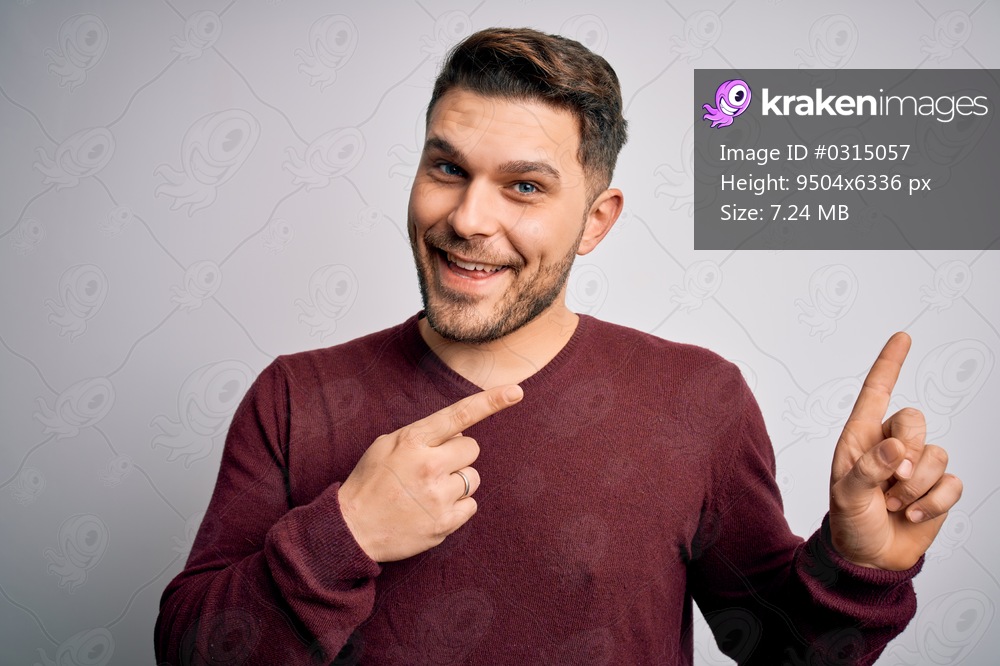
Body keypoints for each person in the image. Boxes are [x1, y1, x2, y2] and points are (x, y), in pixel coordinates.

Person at [154, 28, 962, 665]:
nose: (468, 218)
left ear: (596, 221)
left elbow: (786, 654)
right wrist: (346, 533)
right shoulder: (296, 396)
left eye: (525, 186)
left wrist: (862, 568)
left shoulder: (699, 400)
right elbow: (190, 653)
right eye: (447, 168)